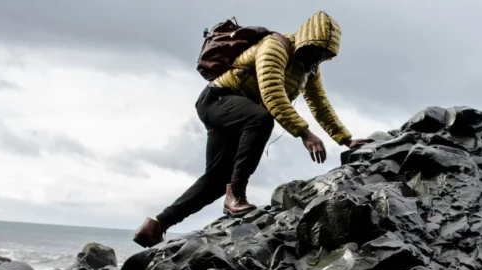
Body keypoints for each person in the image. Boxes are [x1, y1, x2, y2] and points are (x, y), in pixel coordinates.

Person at [133, 11, 372, 248]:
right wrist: (304, 132)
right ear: (305, 42)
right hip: (217, 100)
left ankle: (155, 226)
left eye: (324, 55)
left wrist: (346, 139)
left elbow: (320, 104)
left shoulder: (308, 68)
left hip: (236, 112)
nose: (318, 58)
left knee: (216, 181)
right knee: (261, 119)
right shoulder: (275, 46)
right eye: (316, 50)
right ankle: (236, 195)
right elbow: (272, 93)